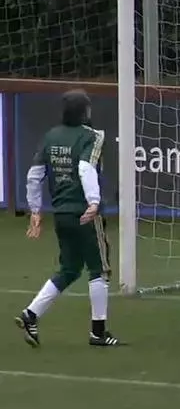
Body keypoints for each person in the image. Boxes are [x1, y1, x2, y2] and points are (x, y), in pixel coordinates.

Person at [16, 89, 121, 347]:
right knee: (99, 269)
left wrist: (36, 211)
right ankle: (98, 332)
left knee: (70, 269)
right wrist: (94, 202)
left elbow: (34, 174)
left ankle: (31, 314)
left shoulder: (51, 136)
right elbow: (85, 167)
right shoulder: (92, 136)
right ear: (85, 112)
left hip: (61, 213)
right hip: (83, 212)